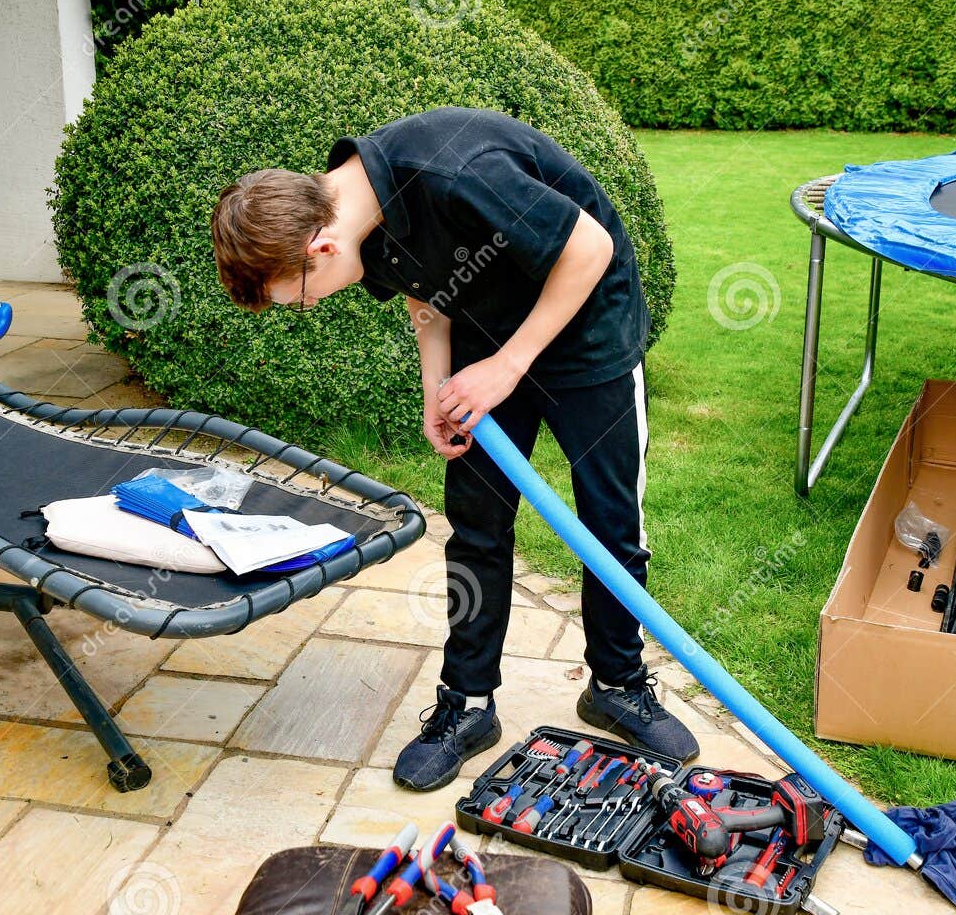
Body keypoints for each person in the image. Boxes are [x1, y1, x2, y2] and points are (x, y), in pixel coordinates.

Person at [209, 106, 699, 791]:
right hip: (486, 337)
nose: (309, 305)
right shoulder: (359, 215)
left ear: (319, 249)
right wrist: (436, 389)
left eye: (298, 297)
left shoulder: (457, 172)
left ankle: (617, 685)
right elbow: (429, 292)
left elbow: (589, 249)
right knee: (477, 526)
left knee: (610, 523)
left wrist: (508, 367)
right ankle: (467, 704)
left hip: (588, 329)